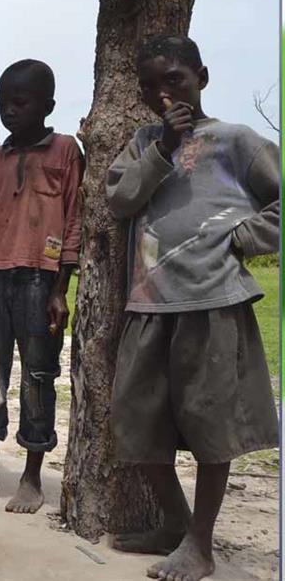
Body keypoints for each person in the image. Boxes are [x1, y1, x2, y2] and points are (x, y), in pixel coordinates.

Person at [105, 35, 279, 581]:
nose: (162, 96)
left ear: (201, 76)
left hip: (212, 301)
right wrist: (160, 148)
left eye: (174, 81)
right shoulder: (141, 144)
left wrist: (245, 237)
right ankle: (176, 526)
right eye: (149, 88)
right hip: (150, 303)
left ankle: (200, 544)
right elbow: (119, 201)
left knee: (209, 424)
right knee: (138, 424)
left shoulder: (235, 141)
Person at [0, 60, 81, 513]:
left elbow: (73, 220)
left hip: (39, 280)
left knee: (38, 379)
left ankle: (30, 477)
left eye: (20, 103)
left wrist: (61, 288)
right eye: (3, 103)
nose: (10, 111)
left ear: (47, 105)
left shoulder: (66, 151)